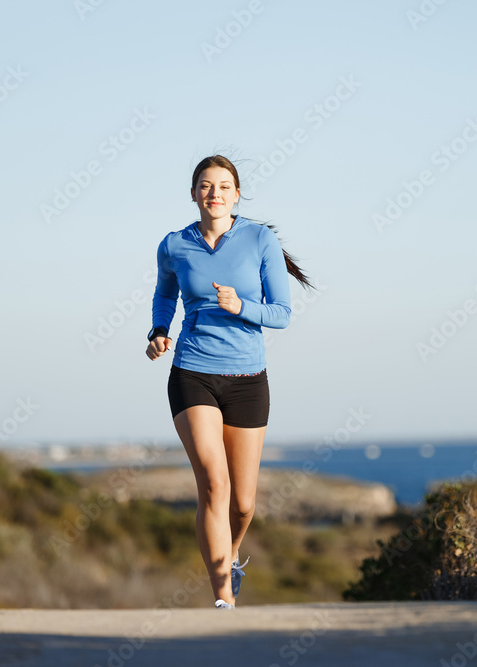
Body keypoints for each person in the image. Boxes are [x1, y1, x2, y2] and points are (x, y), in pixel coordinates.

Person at [145, 155, 312, 609]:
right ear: (195, 193)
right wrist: (159, 331)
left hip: (247, 381)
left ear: (236, 195)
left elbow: (281, 314)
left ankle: (233, 552)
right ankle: (223, 600)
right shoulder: (175, 245)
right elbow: (165, 294)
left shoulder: (260, 240)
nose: (214, 193)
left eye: (223, 186)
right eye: (205, 185)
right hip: (193, 374)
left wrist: (242, 308)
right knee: (213, 485)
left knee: (243, 504)